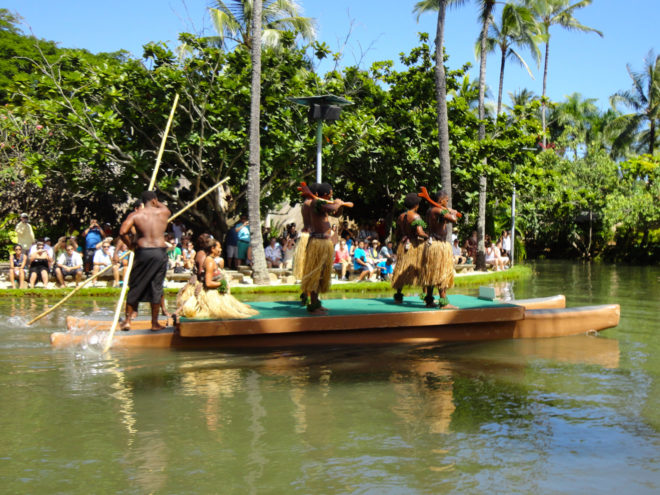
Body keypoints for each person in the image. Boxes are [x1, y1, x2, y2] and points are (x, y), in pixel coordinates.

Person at [118, 191, 170, 331]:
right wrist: (156, 201)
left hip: (143, 252)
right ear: (154, 200)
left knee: (135, 285)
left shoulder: (135, 215)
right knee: (156, 287)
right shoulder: (164, 212)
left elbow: (122, 232)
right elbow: (162, 206)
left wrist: (130, 245)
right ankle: (154, 323)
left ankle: (128, 321)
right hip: (160, 252)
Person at [300, 182, 353, 313]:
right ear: (326, 194)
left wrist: (338, 206)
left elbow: (335, 212)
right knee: (315, 274)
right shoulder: (316, 203)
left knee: (322, 274)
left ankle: (316, 302)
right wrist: (338, 202)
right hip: (318, 242)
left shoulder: (320, 203)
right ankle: (313, 305)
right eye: (330, 194)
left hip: (324, 243)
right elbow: (331, 208)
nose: (331, 196)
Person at [176, 238, 258, 319]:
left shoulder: (211, 260)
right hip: (213, 294)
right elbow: (208, 283)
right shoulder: (210, 262)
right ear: (212, 248)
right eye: (218, 247)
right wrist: (222, 283)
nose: (220, 249)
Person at [420, 190, 458, 309]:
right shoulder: (438, 210)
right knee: (441, 273)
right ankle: (443, 302)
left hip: (432, 245)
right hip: (438, 245)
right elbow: (453, 220)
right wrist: (454, 213)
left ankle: (429, 300)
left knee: (432, 273)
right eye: (447, 200)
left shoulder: (430, 210)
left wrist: (447, 210)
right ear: (441, 200)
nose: (447, 202)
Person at [391, 193, 428, 303]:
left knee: (401, 269)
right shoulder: (416, 216)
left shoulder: (400, 217)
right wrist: (428, 236)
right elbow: (420, 232)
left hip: (403, 245)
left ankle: (398, 295)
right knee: (421, 269)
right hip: (414, 245)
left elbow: (397, 233)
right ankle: (426, 296)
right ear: (416, 205)